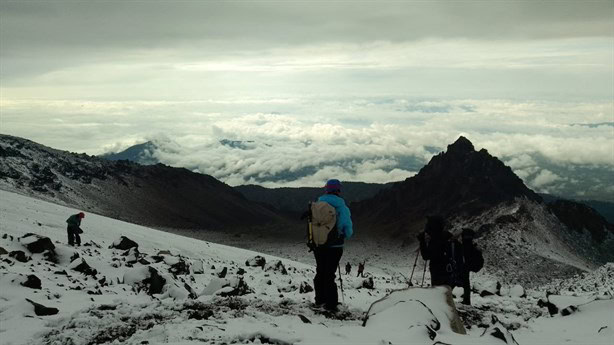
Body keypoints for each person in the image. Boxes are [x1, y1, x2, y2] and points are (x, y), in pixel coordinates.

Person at [312, 179, 353, 311]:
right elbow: (347, 229)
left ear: (326, 189)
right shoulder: (341, 207)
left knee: (320, 272)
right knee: (330, 274)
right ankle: (331, 305)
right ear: (338, 190)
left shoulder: (317, 205)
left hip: (318, 245)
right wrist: (344, 235)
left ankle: (319, 300)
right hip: (334, 247)